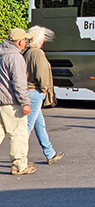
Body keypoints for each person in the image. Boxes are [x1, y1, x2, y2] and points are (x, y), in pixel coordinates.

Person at [24, 26, 65, 165]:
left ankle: (50, 153)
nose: (44, 41)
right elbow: (41, 74)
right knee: (28, 127)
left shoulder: (27, 52)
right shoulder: (37, 53)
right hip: (35, 92)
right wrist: (45, 90)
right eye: (42, 38)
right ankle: (20, 158)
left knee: (39, 124)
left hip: (29, 91)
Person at [0, 28, 36, 175]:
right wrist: (25, 102)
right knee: (18, 132)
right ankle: (19, 165)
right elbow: (19, 83)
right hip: (11, 101)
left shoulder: (2, 53)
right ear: (20, 42)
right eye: (25, 40)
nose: (26, 42)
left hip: (1, 100)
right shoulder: (15, 57)